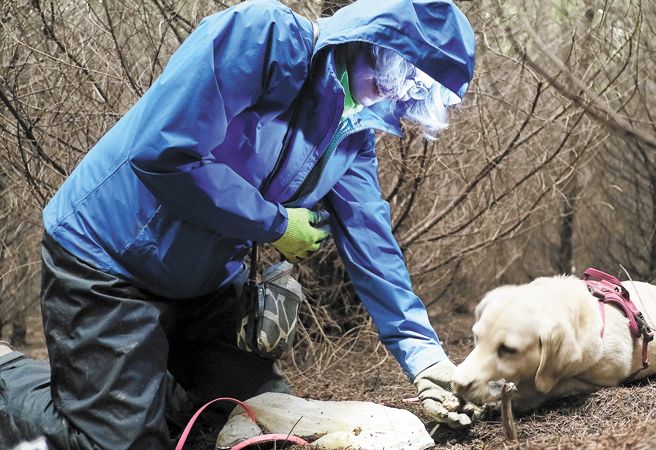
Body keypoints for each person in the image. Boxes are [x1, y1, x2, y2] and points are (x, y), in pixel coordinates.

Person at [0, 0, 476, 448]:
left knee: (257, 424)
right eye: (399, 74)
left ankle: (130, 391)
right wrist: (274, 224)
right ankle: (9, 375)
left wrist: (422, 355)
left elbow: (372, 242)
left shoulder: (352, 131)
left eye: (417, 88)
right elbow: (165, 154)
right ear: (372, 42)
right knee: (121, 442)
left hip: (203, 285)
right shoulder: (263, 37)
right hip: (109, 260)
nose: (397, 93)